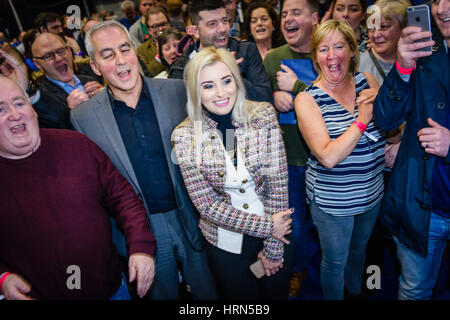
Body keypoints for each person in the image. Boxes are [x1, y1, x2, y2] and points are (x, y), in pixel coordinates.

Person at [70, 20, 218, 300]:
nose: (121, 61)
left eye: (125, 49)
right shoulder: (83, 117)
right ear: (95, 67)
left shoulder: (177, 91)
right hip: (140, 232)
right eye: (108, 54)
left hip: (192, 217)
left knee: (210, 294)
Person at [0, 76, 156, 300]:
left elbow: (123, 197)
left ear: (32, 108)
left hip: (112, 290)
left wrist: (141, 246)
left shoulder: (76, 145)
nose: (15, 115)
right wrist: (2, 277)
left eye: (19, 103)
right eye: (0, 109)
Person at [172, 47, 293, 299]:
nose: (221, 93)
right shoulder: (184, 137)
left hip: (275, 233)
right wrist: (268, 227)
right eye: (208, 86)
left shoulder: (263, 115)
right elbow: (207, 205)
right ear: (195, 91)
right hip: (225, 242)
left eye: (226, 81)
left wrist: (273, 246)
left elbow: (278, 183)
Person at [295, 20, 385, 300]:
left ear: (351, 51)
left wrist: (385, 103)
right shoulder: (307, 99)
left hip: (372, 193)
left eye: (339, 46)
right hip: (333, 202)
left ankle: (356, 292)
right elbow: (327, 155)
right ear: (315, 57)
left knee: (360, 251)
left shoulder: (367, 82)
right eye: (323, 49)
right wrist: (361, 121)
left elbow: (393, 133)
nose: (332, 56)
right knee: (335, 262)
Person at [373, 0, 449, 300]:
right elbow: (386, 119)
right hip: (422, 207)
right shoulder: (425, 54)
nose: (441, 9)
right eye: (435, 0)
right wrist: (402, 66)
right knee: (414, 290)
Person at [263, 0, 320, 298]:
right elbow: (257, 99)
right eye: (284, 14)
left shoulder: (328, 50)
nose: (288, 19)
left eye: (295, 12)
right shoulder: (273, 59)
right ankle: (297, 277)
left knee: (324, 229)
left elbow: (337, 101)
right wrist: (273, 96)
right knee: (295, 229)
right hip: (289, 160)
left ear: (314, 17)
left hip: (326, 159)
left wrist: (297, 88)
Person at [169, 0, 272, 103]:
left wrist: (234, 75)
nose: (222, 29)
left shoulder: (246, 51)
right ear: (195, 32)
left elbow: (265, 98)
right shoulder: (180, 69)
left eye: (224, 21)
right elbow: (180, 113)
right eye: (212, 24)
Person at [31, 32, 103, 128]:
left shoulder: (89, 79)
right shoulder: (41, 101)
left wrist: (105, 97)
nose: (58, 58)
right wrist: (72, 113)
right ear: (37, 64)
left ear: (69, 51)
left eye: (61, 51)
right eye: (48, 56)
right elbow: (55, 138)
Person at [137, 7, 172, 77]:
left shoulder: (184, 38)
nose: (161, 28)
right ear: (148, 30)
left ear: (169, 23)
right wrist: (159, 56)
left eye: (163, 24)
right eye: (155, 26)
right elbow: (148, 75)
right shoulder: (142, 50)